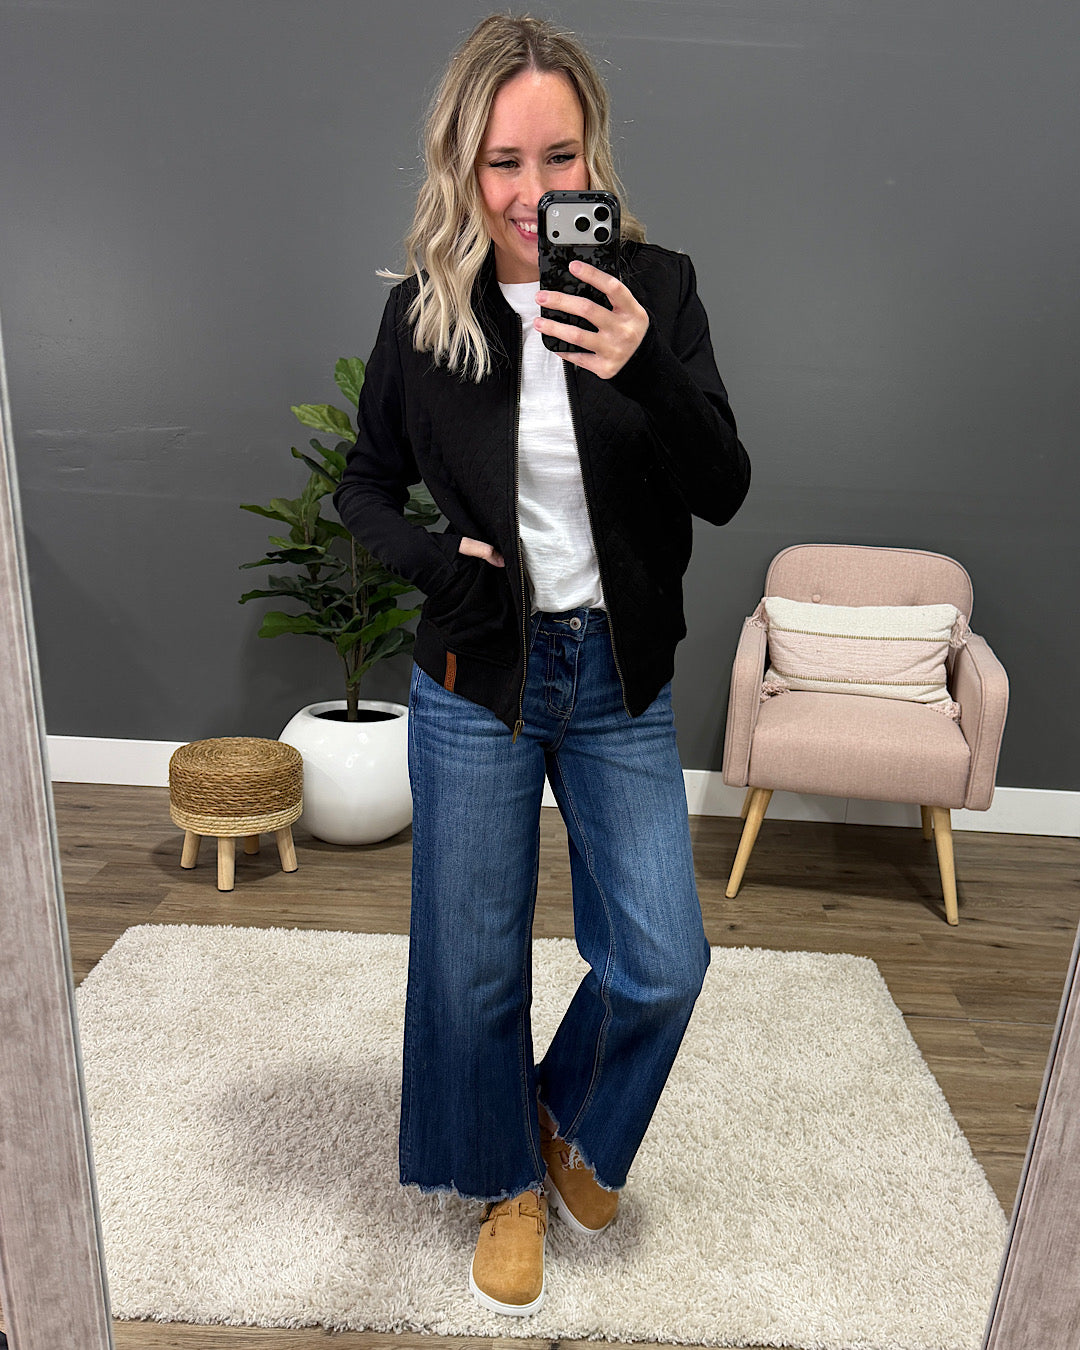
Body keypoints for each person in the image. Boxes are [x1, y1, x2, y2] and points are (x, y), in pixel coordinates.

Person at [333, 13, 750, 1318]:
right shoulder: (426, 314)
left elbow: (724, 486)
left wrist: (647, 370)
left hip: (618, 674)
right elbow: (362, 484)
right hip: (479, 677)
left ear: (593, 157)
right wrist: (439, 563)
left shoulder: (657, 288)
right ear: (463, 165)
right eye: (502, 162)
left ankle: (562, 1117)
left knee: (663, 957)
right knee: (471, 966)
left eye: (557, 158)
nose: (531, 192)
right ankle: (505, 1178)